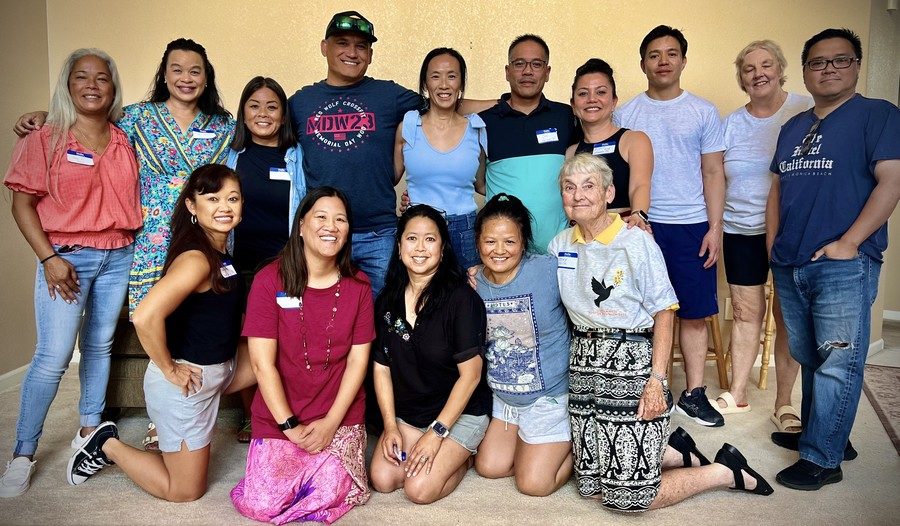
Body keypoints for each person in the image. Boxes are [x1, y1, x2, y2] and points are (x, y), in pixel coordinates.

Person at [549, 153, 773, 511]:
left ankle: (725, 470)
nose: (578, 195)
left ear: (609, 194)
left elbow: (665, 311)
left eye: (589, 186)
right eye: (569, 187)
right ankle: (676, 451)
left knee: (628, 499)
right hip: (583, 361)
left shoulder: (637, 243)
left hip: (629, 357)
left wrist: (657, 379)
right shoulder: (560, 245)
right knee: (589, 485)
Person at [66, 164, 256, 502]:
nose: (224, 207)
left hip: (221, 372)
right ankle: (104, 443)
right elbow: (144, 316)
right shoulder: (197, 259)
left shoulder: (221, 254)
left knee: (278, 353)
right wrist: (170, 368)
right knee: (183, 490)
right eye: (212, 199)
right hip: (187, 383)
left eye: (232, 198)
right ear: (191, 206)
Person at [0, 49, 141, 498]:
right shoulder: (44, 136)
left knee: (99, 346)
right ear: (68, 85)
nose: (93, 84)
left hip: (118, 255)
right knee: (53, 356)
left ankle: (88, 430)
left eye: (103, 77)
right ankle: (22, 453)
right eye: (82, 77)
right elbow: (21, 204)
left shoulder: (123, 140)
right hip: (66, 260)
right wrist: (49, 259)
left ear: (113, 88)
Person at [13, 38, 235, 317]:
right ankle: (163, 363)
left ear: (206, 78)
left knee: (206, 312)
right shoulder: (135, 117)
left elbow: (260, 134)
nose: (186, 78)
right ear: (164, 76)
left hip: (207, 231)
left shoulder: (225, 125)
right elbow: (88, 120)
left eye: (195, 71)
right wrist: (46, 116)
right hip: (153, 236)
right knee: (154, 314)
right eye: (176, 70)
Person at [766, 28, 899, 491]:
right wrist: (773, 244)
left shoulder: (877, 116)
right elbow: (778, 189)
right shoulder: (792, 127)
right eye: (819, 62)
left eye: (839, 60)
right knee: (808, 354)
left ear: (856, 66)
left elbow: (891, 182)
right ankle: (829, 437)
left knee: (838, 360)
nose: (828, 69)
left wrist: (850, 242)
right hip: (790, 259)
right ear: (805, 71)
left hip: (844, 262)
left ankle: (823, 458)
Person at [231, 187, 374, 523]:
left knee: (325, 493)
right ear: (301, 226)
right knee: (261, 505)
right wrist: (289, 426)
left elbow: (357, 362)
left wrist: (330, 423)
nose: (331, 226)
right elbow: (261, 364)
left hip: (338, 415)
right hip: (281, 415)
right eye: (321, 217)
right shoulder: (270, 280)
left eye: (340, 219)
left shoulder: (359, 285)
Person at [615, 25, 727, 428]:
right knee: (639, 310)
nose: (663, 61)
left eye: (671, 53)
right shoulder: (625, 112)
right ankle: (645, 386)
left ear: (683, 60)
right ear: (642, 62)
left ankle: (694, 393)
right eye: (654, 54)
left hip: (690, 223)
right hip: (637, 222)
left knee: (694, 312)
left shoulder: (703, 111)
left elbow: (714, 172)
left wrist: (715, 227)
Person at [369, 205, 492, 504]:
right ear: (399, 248)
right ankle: (431, 448)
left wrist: (436, 434)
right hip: (411, 415)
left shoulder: (461, 299)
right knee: (383, 480)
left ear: (443, 247)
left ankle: (463, 460)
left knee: (419, 489)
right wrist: (389, 426)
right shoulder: (388, 300)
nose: (420, 248)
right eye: (411, 239)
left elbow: (471, 375)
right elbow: (381, 367)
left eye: (430, 239)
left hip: (459, 414)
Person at [717, 40, 811, 428]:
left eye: (766, 65)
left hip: (792, 230)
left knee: (787, 315)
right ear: (741, 78)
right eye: (748, 68)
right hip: (739, 229)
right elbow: (715, 177)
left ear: (780, 68)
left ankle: (785, 403)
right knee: (744, 312)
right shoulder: (731, 123)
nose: (758, 73)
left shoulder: (805, 109)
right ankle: (737, 393)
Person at [472, 194, 572, 496]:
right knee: (489, 468)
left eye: (510, 242)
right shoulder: (474, 282)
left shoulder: (548, 270)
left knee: (533, 484)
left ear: (524, 242)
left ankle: (581, 450)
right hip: (506, 402)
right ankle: (535, 447)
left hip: (548, 398)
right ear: (478, 242)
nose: (499, 251)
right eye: (490, 242)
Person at [225, 76, 303, 443]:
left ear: (284, 115)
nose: (262, 113)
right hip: (240, 265)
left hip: (285, 265)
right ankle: (249, 415)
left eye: (272, 106)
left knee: (288, 341)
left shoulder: (297, 156)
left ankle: (285, 411)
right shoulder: (232, 156)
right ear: (243, 112)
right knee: (246, 343)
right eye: (254, 105)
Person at [479, 34, 578, 254]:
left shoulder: (565, 116)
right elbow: (478, 183)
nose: (527, 71)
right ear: (507, 71)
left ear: (547, 72)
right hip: (503, 253)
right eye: (519, 64)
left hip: (559, 249)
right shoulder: (485, 122)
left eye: (536, 64)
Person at [395, 47, 487, 270]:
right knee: (421, 299)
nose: (444, 84)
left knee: (467, 296)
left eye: (452, 76)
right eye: (435, 76)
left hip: (464, 229)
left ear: (461, 84)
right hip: (418, 229)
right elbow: (389, 178)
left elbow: (483, 185)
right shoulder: (408, 127)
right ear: (426, 84)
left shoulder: (477, 129)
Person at [567, 58, 652, 232]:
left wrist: (639, 214)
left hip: (625, 231)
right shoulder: (571, 152)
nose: (592, 99)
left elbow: (640, 185)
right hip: (584, 237)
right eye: (583, 93)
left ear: (614, 101)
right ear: (574, 105)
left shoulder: (634, 140)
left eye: (601, 92)